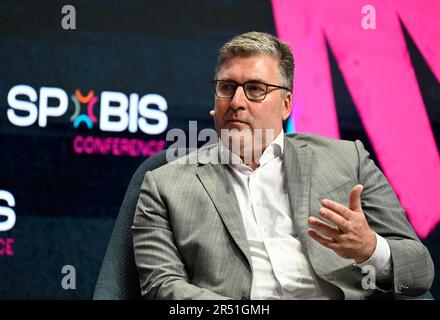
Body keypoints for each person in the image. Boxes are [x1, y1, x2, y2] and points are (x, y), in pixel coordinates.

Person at [132, 31, 434, 299]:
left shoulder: (348, 160)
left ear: (286, 104)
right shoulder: (165, 185)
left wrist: (370, 249)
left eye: (255, 89)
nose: (236, 101)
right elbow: (162, 286)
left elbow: (420, 272)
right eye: (227, 87)